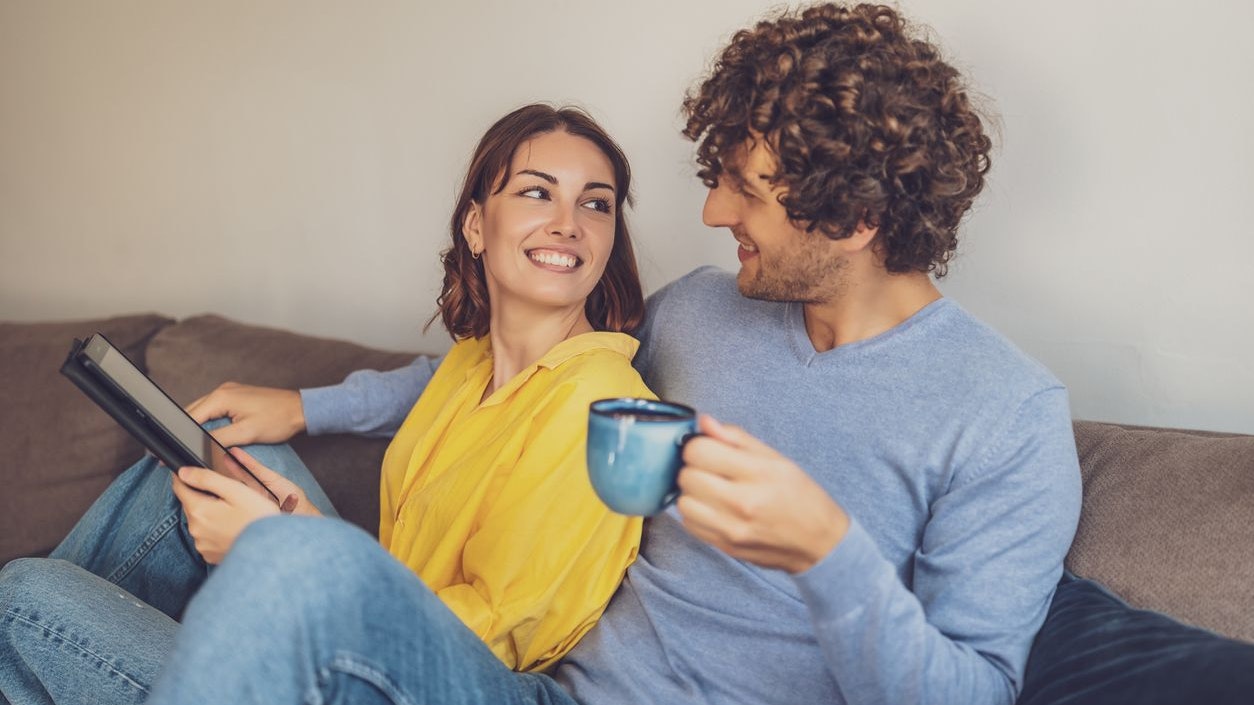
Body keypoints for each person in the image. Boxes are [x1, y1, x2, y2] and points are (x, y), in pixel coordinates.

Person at [0, 103, 657, 703]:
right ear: (476, 225)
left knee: (23, 598)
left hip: (439, 680)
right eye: (538, 192)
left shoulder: (599, 402)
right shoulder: (469, 366)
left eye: (596, 204)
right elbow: (406, 567)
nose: (569, 224)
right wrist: (302, 516)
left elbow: (492, 637)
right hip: (377, 631)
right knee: (221, 450)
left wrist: (278, 551)